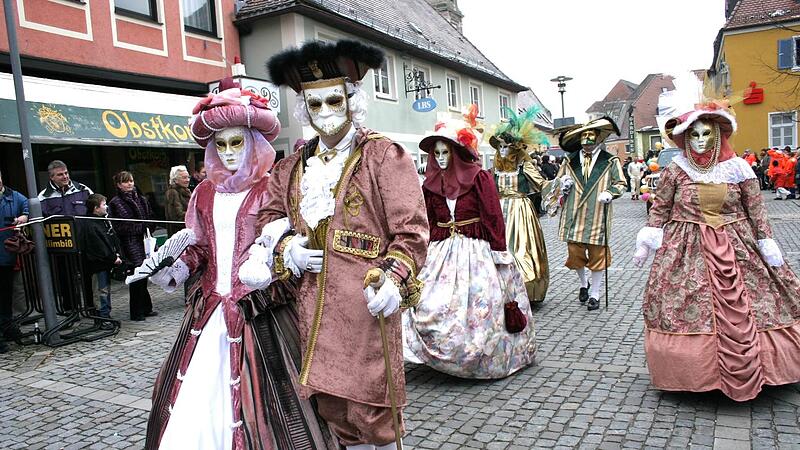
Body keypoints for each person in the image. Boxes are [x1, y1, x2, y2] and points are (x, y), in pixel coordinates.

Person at [244, 40, 428, 450]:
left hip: (366, 299)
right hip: (308, 304)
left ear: (351, 100)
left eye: (333, 101)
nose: (325, 113)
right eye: (315, 104)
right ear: (303, 109)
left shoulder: (383, 155)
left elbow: (411, 231)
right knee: (332, 407)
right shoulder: (289, 167)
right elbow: (269, 219)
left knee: (373, 407)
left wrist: (395, 279)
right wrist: (286, 247)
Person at [141, 79, 337, 449]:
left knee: (275, 403)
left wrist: (284, 255)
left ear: (253, 143)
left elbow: (287, 237)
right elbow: (199, 246)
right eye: (221, 144)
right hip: (210, 308)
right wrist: (173, 266)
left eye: (237, 142)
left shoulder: (272, 188)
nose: (229, 152)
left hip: (260, 309)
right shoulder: (203, 191)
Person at [633, 101, 800, 402]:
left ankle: (765, 366)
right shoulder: (676, 170)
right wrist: (648, 238)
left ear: (719, 134)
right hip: (686, 247)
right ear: (684, 137)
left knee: (761, 300)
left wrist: (766, 240)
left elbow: (757, 209)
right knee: (681, 304)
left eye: (706, 134)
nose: (699, 140)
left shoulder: (739, 168)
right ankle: (696, 374)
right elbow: (660, 207)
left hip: (739, 244)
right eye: (693, 134)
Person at [403, 111, 536, 379]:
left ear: (456, 152)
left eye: (445, 152)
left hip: (476, 253)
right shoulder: (429, 185)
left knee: (480, 307)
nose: (440, 159)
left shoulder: (479, 178)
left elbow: (492, 215)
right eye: (436, 153)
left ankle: (477, 360)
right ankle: (439, 356)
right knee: (431, 304)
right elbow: (426, 221)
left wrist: (499, 252)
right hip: (440, 253)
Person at [548, 116, 627, 311]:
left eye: (592, 142)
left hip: (597, 213)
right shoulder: (569, 160)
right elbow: (556, 184)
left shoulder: (610, 160)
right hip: (573, 213)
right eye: (585, 141)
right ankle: (584, 284)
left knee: (597, 254)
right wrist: (561, 184)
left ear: (599, 140)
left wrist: (610, 192)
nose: (588, 146)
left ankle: (595, 293)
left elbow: (621, 183)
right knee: (574, 254)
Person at [489, 107, 550, 304]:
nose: (502, 150)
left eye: (506, 146)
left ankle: (526, 288)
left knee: (522, 248)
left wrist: (560, 185)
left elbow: (542, 184)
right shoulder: (494, 170)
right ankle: (498, 289)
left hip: (521, 211)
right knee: (499, 248)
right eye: (500, 147)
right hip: (498, 212)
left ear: (515, 149)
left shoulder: (524, 166)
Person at [108, 171, 155, 321]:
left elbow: (150, 217)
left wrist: (148, 228)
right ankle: (136, 311)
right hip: (129, 243)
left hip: (144, 241)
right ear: (118, 185)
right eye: (125, 181)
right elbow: (120, 226)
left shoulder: (141, 199)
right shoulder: (115, 202)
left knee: (145, 273)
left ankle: (146, 307)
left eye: (131, 181)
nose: (129, 184)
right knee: (136, 275)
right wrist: (140, 227)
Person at [78, 193, 121, 328]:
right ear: (96, 208)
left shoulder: (101, 220)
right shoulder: (91, 224)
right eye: (103, 204)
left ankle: (105, 315)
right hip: (97, 264)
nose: (106, 206)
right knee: (101, 290)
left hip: (103, 262)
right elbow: (99, 245)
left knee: (104, 289)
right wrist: (113, 257)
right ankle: (102, 317)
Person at [0, 170, 28, 353]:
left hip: (6, 255)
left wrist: (24, 216)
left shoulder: (13, 196)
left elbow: (28, 205)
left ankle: (7, 327)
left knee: (5, 296)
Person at [164, 165, 191, 236]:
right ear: (175, 180)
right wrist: (195, 215)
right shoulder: (173, 192)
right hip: (179, 235)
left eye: (188, 177)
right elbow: (177, 216)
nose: (187, 180)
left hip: (187, 233)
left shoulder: (186, 191)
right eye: (184, 178)